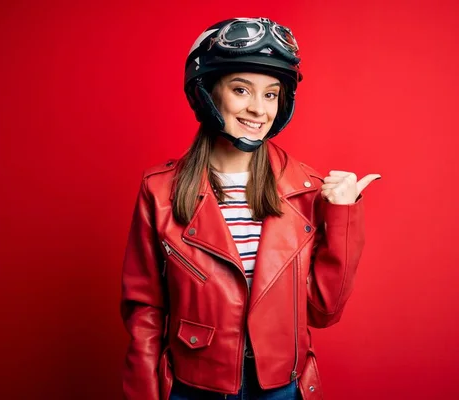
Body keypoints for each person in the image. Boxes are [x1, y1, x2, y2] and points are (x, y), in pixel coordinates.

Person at [120, 17, 381, 400]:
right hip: (194, 388)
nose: (259, 109)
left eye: (271, 94)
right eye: (242, 90)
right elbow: (145, 312)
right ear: (206, 94)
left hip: (280, 388)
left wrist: (343, 216)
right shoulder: (159, 191)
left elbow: (323, 311)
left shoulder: (304, 189)